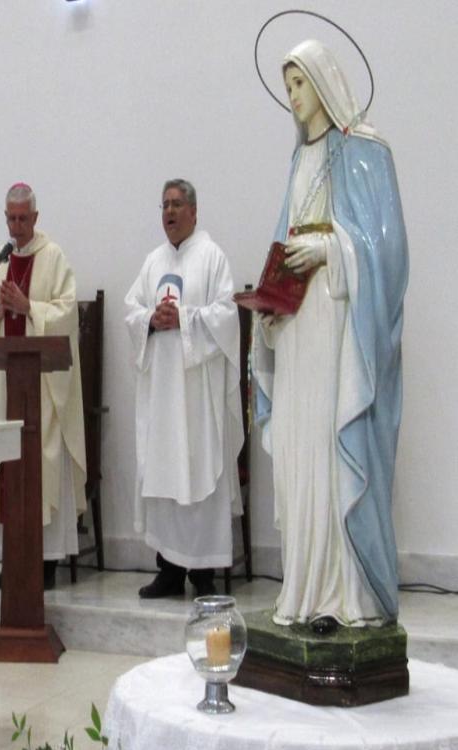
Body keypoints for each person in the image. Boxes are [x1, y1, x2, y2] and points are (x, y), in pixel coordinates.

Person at [253, 40, 409, 633]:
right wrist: (269, 308)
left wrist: (331, 248)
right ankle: (306, 585)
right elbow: (282, 244)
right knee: (299, 453)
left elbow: (389, 254)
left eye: (299, 82)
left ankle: (348, 594)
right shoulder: (298, 162)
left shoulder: (367, 151)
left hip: (341, 333)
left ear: (324, 80)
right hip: (298, 332)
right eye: (287, 85)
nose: (292, 97)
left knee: (330, 446)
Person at [124, 179, 244, 599]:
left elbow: (227, 315)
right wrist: (149, 321)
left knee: (197, 470)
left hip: (197, 393)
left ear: (194, 211)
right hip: (162, 392)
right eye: (164, 206)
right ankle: (169, 571)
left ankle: (205, 574)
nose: (169, 213)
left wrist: (185, 318)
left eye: (177, 205)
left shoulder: (212, 257)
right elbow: (131, 310)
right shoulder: (153, 261)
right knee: (164, 471)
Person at [0, 183, 86, 591]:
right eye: (11, 219)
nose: (17, 226)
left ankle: (47, 560)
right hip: (6, 388)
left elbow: (67, 313)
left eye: (23, 218)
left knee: (43, 464)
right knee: (7, 467)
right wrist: (0, 311)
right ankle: (15, 558)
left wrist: (28, 308)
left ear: (35, 218)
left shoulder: (53, 258)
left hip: (43, 389)